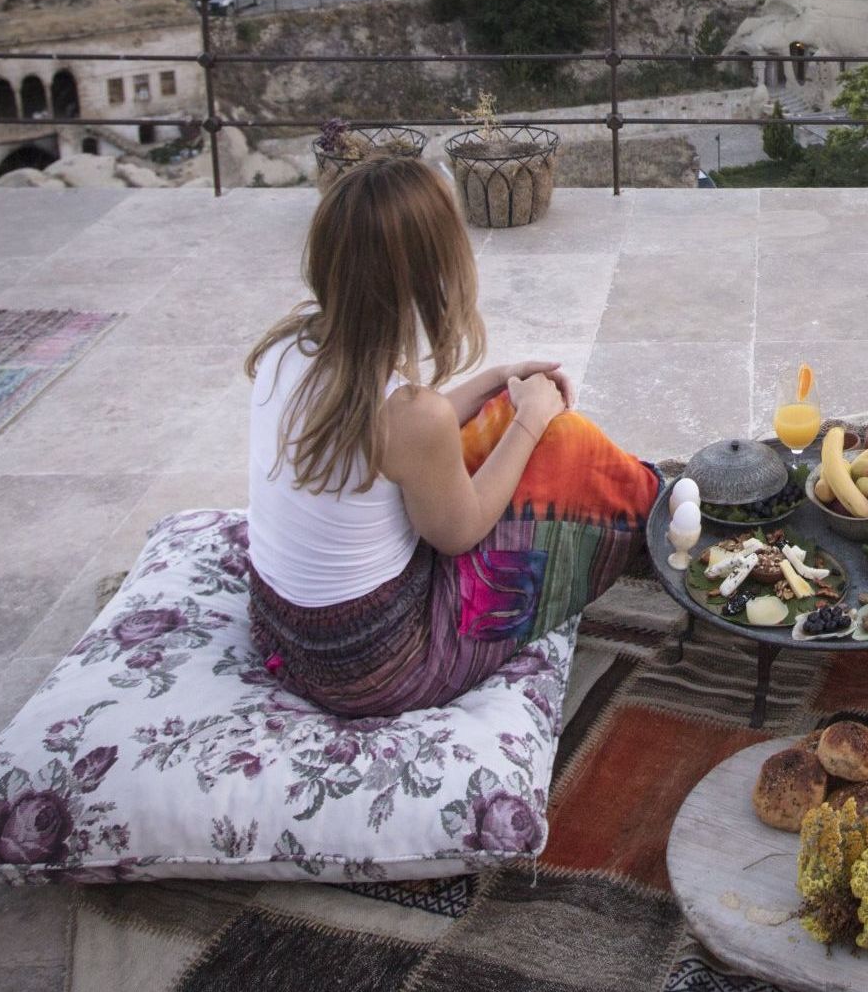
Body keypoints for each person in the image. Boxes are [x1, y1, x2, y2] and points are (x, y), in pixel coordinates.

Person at [244, 156, 658, 717]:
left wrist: (497, 381)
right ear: (432, 272)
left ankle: (651, 498)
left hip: (282, 631)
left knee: (499, 425)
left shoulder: (285, 349)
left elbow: (406, 438)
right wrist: (531, 419)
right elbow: (458, 533)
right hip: (374, 668)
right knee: (563, 455)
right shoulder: (408, 415)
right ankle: (650, 513)